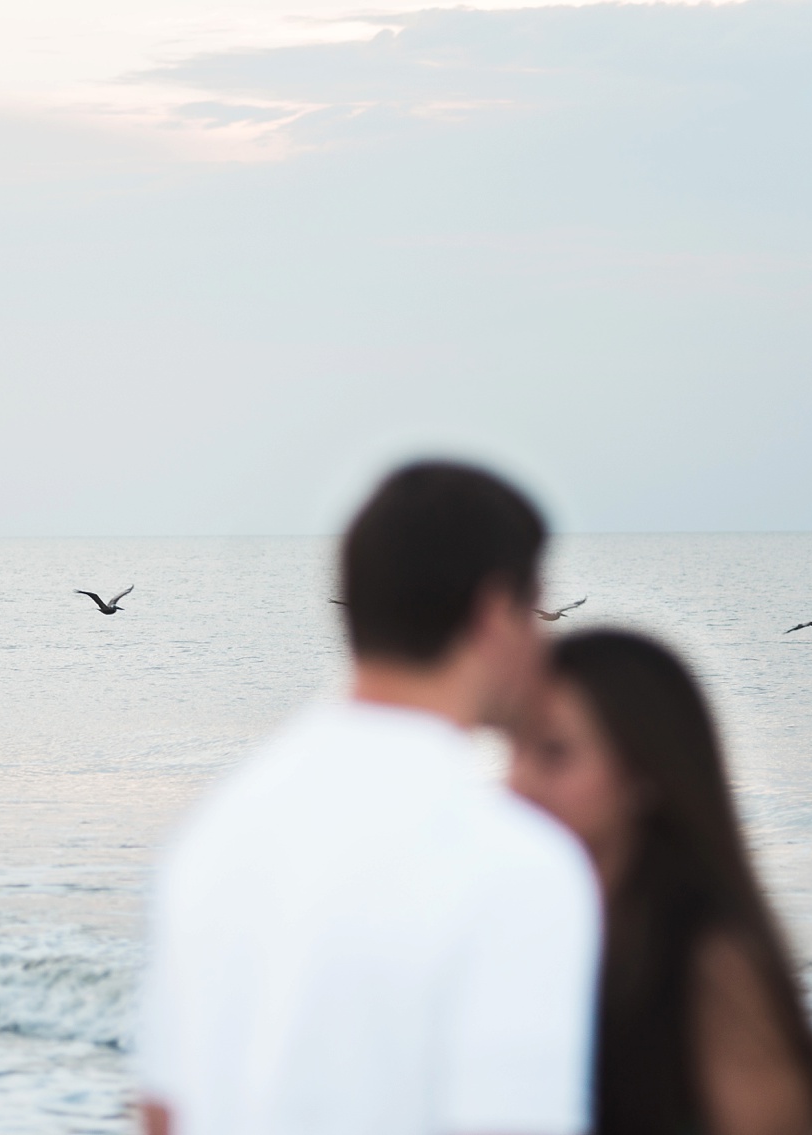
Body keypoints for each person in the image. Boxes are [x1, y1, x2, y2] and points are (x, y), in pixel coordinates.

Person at [138, 461, 603, 1135]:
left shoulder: (217, 827)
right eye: (536, 611)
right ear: (495, 611)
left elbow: (163, 1113)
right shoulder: (515, 862)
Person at [509, 630, 812, 1135]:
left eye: (554, 753)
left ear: (643, 771)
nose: (518, 783)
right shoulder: (540, 929)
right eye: (514, 749)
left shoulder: (712, 962)